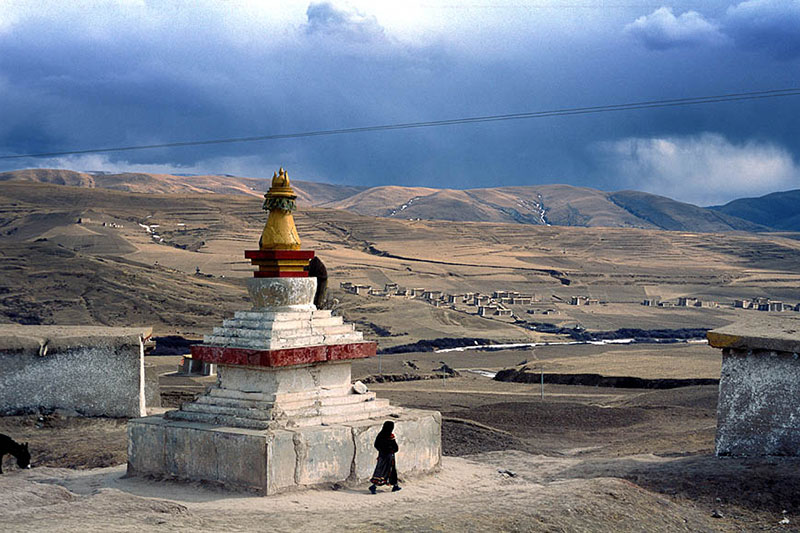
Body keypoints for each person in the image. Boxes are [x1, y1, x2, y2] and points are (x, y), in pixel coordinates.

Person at [368, 421, 401, 494]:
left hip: (386, 457)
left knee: (388, 471)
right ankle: (374, 486)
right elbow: (394, 447)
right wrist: (387, 450)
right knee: (383, 471)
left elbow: (377, 445)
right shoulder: (387, 436)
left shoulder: (382, 435)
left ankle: (395, 485)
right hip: (386, 457)